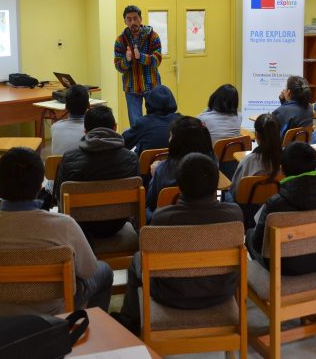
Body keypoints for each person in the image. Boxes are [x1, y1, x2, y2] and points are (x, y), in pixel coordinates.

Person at [0, 147, 113, 317]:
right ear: (39, 185)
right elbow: (88, 271)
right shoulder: (64, 225)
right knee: (104, 271)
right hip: (55, 319)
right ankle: (93, 331)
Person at [112, 153, 243, 336]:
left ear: (179, 186)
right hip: (221, 292)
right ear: (216, 184)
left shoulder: (162, 218)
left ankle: (130, 321)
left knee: (137, 260)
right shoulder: (234, 215)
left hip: (170, 295)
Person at [246, 142, 316, 275]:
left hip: (283, 267)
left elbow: (259, 244)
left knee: (249, 234)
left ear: (282, 169)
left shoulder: (276, 204)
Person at [53, 105, 139, 239]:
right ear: (115, 127)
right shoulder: (131, 159)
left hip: (79, 229)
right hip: (116, 225)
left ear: (85, 131)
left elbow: (59, 197)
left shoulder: (69, 159)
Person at [145, 116, 215, 216]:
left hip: (170, 222)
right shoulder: (213, 162)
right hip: (208, 218)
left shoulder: (163, 169)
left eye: (170, 136)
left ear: (177, 142)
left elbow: (151, 203)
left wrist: (153, 176)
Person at [114, 5, 163, 127]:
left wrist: (141, 57)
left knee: (157, 120)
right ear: (125, 21)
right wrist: (128, 59)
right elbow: (118, 66)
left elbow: (157, 60)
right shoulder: (120, 40)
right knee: (136, 124)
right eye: (129, 19)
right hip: (131, 87)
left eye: (135, 18)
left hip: (151, 85)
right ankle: (139, 145)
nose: (132, 22)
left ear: (140, 19)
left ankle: (155, 145)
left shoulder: (153, 36)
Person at [227, 113, 282, 215]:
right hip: (276, 207)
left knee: (226, 195)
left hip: (248, 209)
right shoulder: (287, 157)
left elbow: (235, 192)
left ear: (256, 135)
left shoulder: (248, 161)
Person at [122, 84, 180, 156]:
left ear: (150, 101)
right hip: (179, 166)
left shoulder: (144, 123)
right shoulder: (183, 121)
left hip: (148, 166)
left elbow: (123, 143)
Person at [50, 84, 90, 156]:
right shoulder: (92, 131)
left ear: (66, 106)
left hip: (58, 166)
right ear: (89, 105)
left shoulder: (55, 127)